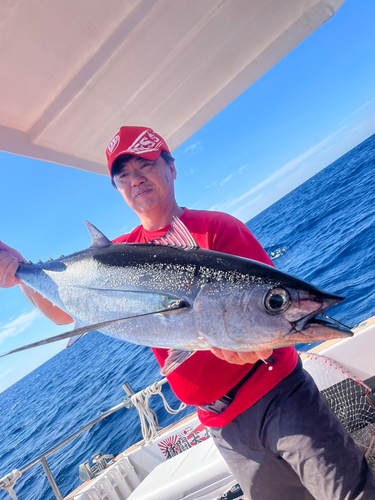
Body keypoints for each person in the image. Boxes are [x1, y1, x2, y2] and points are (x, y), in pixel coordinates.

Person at [1, 126, 374, 500]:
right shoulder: (116, 255)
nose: (136, 180)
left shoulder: (219, 229)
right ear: (118, 188)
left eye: (144, 165)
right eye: (123, 175)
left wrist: (259, 339)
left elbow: (263, 323)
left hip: (281, 396)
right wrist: (19, 275)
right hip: (222, 427)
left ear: (171, 167)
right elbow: (64, 316)